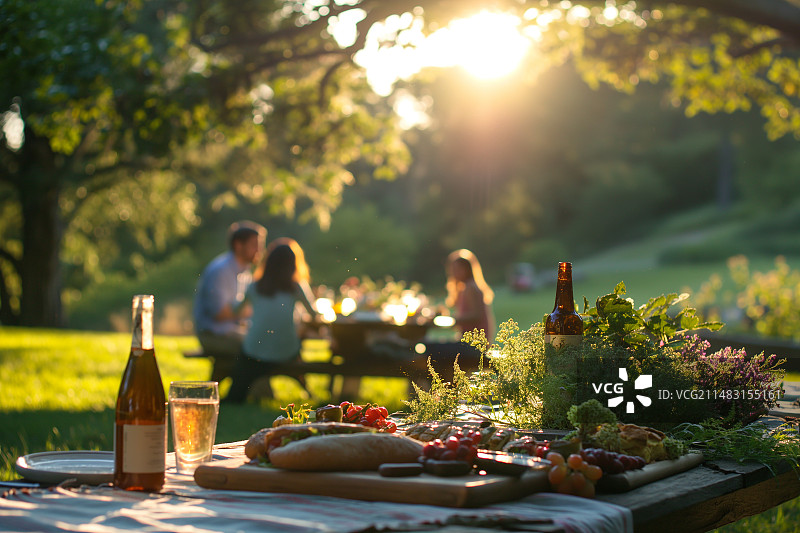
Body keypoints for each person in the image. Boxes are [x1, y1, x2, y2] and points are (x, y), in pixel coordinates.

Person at [225, 239, 319, 403]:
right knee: (292, 345)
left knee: (244, 360)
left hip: (255, 350)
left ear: (268, 262)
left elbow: (235, 311)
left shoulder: (255, 287)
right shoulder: (296, 287)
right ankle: (308, 392)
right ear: (293, 264)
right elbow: (314, 315)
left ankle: (236, 396)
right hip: (286, 351)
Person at [193, 221, 266, 382]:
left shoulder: (244, 272)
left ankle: (256, 391)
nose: (259, 251)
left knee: (261, 342)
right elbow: (220, 313)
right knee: (258, 345)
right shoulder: (221, 271)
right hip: (213, 335)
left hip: (228, 332)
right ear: (238, 245)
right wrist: (250, 311)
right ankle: (258, 392)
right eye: (255, 245)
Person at [414, 249, 495, 383]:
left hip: (474, 346)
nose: (453, 273)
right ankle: (445, 385)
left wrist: (449, 320)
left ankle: (441, 386)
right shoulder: (465, 288)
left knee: (429, 349)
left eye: (456, 269)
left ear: (467, 270)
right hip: (470, 344)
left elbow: (476, 316)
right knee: (434, 349)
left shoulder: (471, 288)